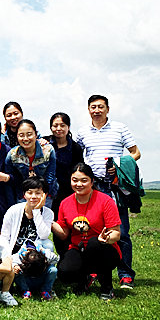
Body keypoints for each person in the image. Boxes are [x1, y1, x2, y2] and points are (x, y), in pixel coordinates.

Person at [75, 95, 141, 289]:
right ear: (88, 110)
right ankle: (93, 272)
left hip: (115, 186)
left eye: (100, 107)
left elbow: (136, 153)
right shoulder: (82, 132)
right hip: (93, 186)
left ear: (108, 109)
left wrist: (119, 165)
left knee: (121, 231)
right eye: (93, 107)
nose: (96, 110)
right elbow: (76, 153)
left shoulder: (120, 128)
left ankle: (125, 275)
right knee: (93, 230)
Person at [51, 163, 122, 300]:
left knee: (94, 244)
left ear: (92, 181)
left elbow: (116, 234)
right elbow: (64, 234)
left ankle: (107, 287)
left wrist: (106, 239)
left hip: (104, 249)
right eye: (75, 180)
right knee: (65, 273)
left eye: (84, 180)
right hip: (79, 248)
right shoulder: (65, 203)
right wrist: (48, 221)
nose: (79, 184)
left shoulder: (105, 201)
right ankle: (84, 279)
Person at [0, 177, 58, 300]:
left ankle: (45, 286)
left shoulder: (48, 213)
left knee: (47, 244)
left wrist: (36, 211)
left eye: (38, 193)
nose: (33, 197)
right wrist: (9, 258)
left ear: (44, 195)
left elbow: (44, 235)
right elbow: (4, 237)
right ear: (24, 194)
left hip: (35, 255)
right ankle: (23, 287)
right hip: (17, 256)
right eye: (30, 192)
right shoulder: (13, 211)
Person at [45, 111, 84, 257]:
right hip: (50, 193)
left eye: (62, 125)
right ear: (51, 127)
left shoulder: (75, 148)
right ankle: (62, 257)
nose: (58, 129)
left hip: (69, 193)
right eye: (55, 125)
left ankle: (72, 256)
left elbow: (79, 170)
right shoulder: (45, 143)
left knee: (70, 226)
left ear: (68, 127)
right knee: (56, 226)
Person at [5, 119, 58, 201]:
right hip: (23, 195)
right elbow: (11, 178)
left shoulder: (48, 150)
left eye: (29, 134)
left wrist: (44, 195)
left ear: (36, 135)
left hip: (45, 194)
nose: (25, 139)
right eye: (21, 135)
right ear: (17, 136)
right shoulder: (12, 154)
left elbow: (50, 176)